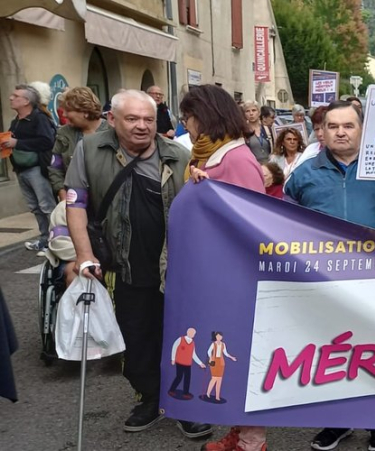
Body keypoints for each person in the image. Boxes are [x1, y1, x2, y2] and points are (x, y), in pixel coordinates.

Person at [64, 90, 210, 438]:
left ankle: (184, 404)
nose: (142, 126)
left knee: (177, 337)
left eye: (148, 119)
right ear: (112, 119)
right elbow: (76, 203)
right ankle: (150, 398)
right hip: (121, 264)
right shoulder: (88, 150)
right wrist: (84, 254)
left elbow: (196, 211)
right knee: (136, 336)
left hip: (170, 265)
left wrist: (201, 186)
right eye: (132, 119)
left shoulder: (177, 155)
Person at [283, 100, 375, 451]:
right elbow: (281, 220)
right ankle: (337, 422)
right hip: (324, 281)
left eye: (348, 126)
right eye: (333, 126)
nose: (341, 132)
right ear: (323, 131)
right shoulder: (305, 173)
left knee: (374, 350)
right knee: (331, 350)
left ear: (361, 130)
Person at [176, 85, 266, 451]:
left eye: (188, 118)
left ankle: (252, 441)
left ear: (205, 116)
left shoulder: (236, 157)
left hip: (236, 278)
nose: (186, 125)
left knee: (241, 360)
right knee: (229, 362)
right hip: (218, 273)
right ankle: (240, 431)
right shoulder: (212, 154)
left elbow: (255, 221)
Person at [3, 84, 57, 252]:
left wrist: (17, 143)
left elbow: (47, 141)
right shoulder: (16, 121)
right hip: (21, 169)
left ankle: (58, 241)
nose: (11, 98)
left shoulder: (39, 118)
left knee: (47, 206)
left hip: (36, 168)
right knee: (35, 207)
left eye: (15, 96)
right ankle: (44, 239)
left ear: (26, 101)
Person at [49, 87, 109, 202]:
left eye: (68, 111)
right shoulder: (63, 134)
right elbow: (55, 168)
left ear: (85, 112)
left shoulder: (112, 132)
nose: (64, 115)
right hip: (75, 201)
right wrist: (62, 194)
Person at [168, 327, 206, 399]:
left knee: (187, 378)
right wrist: (173, 359)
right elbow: (174, 348)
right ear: (188, 332)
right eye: (192, 333)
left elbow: (193, 354)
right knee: (179, 377)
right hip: (179, 362)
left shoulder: (192, 343)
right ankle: (171, 390)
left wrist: (200, 363)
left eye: (194, 334)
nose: (193, 335)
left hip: (188, 364)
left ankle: (185, 393)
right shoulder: (180, 339)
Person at [204, 331, 236, 402]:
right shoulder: (213, 344)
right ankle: (208, 393)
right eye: (217, 336)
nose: (219, 337)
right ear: (216, 337)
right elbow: (209, 351)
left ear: (222, 337)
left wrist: (231, 357)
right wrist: (211, 357)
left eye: (220, 336)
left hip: (221, 363)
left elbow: (226, 353)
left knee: (219, 379)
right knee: (214, 378)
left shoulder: (223, 344)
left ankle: (217, 396)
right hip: (214, 362)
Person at [293, 105, 328, 170]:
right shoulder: (310, 150)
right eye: (316, 129)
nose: (319, 134)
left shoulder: (345, 152)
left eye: (323, 128)